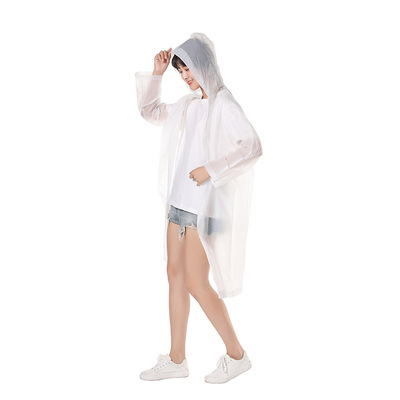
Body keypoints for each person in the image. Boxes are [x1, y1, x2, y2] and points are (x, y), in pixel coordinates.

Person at [135, 33, 263, 384]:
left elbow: (252, 145)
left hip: (204, 209)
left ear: (204, 63)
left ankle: (237, 355)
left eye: (188, 68)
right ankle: (177, 359)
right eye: (180, 71)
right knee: (175, 276)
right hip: (178, 204)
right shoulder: (190, 105)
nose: (185, 76)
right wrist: (157, 74)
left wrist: (212, 168)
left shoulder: (224, 103)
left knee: (195, 281)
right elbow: (150, 112)